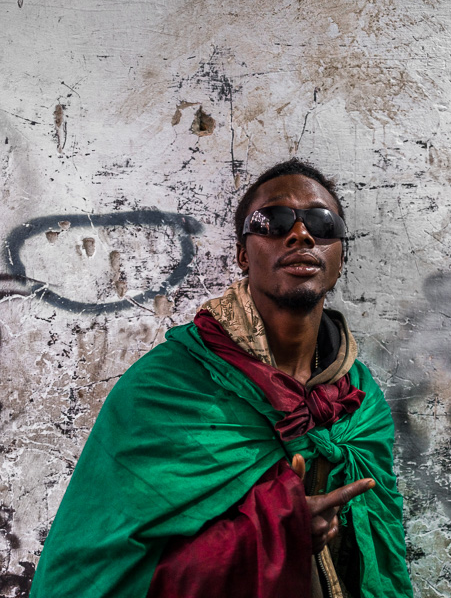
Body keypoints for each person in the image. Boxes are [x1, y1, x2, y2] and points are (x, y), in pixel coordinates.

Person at [30, 159, 414, 598]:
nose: (301, 234)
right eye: (274, 220)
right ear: (242, 254)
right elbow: (104, 569)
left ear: (340, 255)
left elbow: (381, 546)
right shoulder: (166, 387)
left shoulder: (359, 399)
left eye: (322, 223)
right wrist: (278, 533)